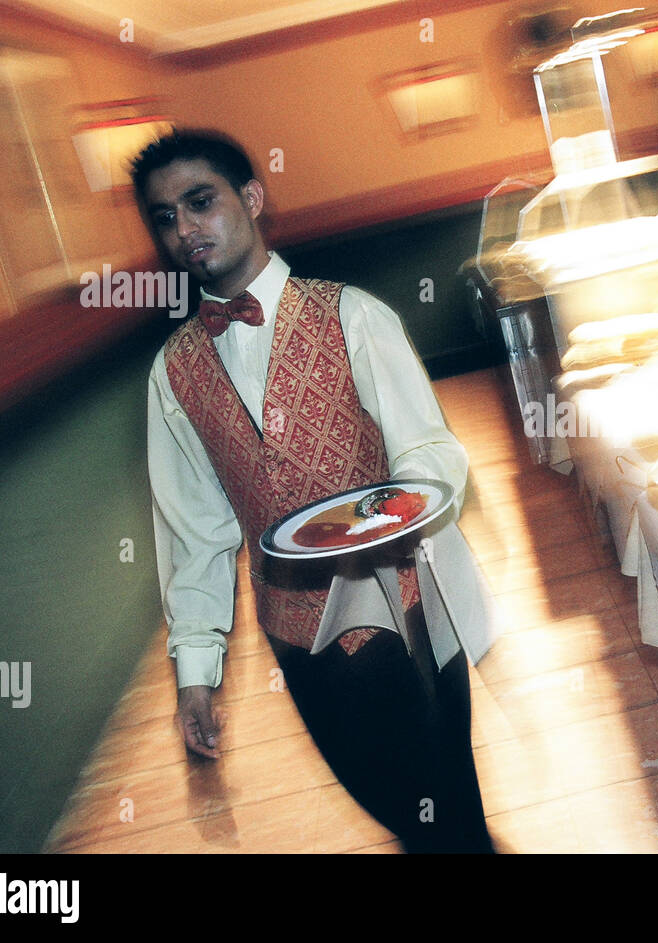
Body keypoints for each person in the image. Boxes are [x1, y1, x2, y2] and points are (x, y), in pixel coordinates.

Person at [133, 130, 496, 853]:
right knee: (397, 806)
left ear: (252, 198)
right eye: (165, 216)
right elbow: (195, 535)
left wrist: (392, 513)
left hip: (407, 608)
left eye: (200, 202)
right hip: (296, 636)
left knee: (445, 809)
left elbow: (428, 446)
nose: (183, 229)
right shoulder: (171, 372)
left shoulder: (351, 312)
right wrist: (195, 669)